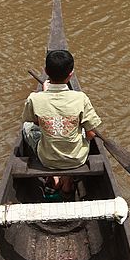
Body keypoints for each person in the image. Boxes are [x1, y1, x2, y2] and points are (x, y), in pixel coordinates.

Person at [22, 49, 102, 199]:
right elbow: (91, 134)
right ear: (70, 74)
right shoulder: (81, 98)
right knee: (81, 132)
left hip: (47, 159)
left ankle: (55, 178)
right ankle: (67, 181)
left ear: (46, 71)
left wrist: (44, 95)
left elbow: (34, 121)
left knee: (27, 128)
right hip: (77, 158)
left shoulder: (34, 99)